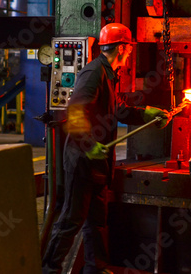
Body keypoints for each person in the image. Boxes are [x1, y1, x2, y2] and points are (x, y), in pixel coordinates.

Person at [42, 23, 170, 274]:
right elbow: (76, 112)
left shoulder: (109, 73)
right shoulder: (94, 73)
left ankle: (96, 267)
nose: (131, 53)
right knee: (71, 219)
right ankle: (49, 269)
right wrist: (89, 146)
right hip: (82, 160)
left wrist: (147, 114)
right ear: (121, 48)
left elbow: (117, 109)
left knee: (96, 221)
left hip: (97, 162)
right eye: (129, 48)